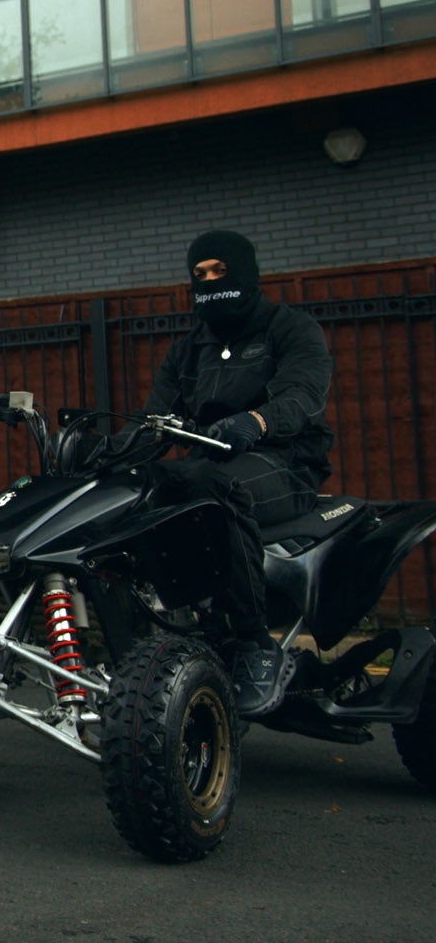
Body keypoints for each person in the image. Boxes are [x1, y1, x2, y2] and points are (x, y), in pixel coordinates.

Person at [141, 229, 332, 718]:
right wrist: (103, 450)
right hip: (207, 464)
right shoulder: (187, 350)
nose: (209, 281)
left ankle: (254, 641)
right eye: (199, 274)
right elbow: (153, 424)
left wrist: (257, 422)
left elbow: (303, 396)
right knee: (143, 490)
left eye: (219, 271)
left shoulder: (290, 329)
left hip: (286, 463)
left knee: (215, 490)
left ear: (244, 272)